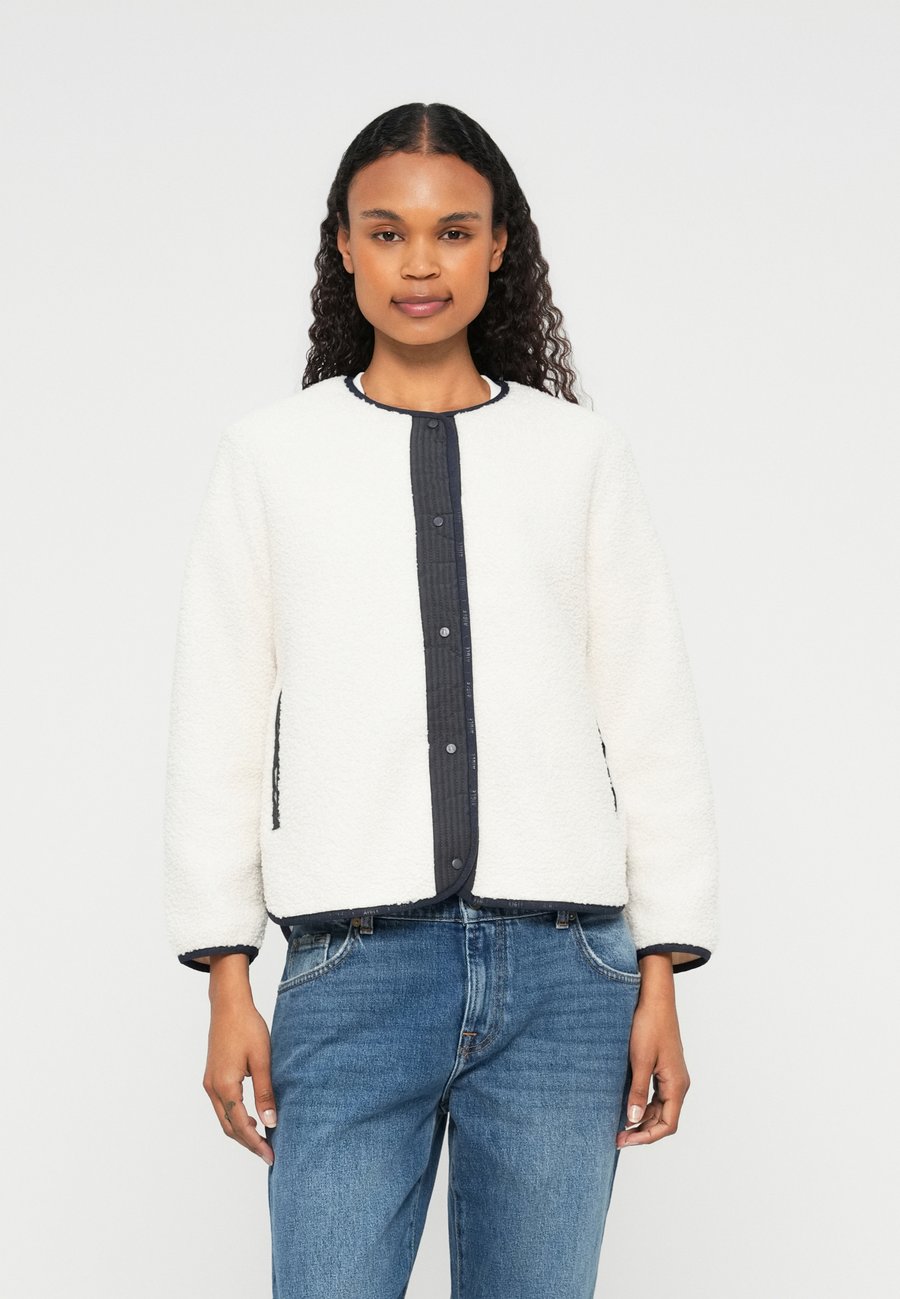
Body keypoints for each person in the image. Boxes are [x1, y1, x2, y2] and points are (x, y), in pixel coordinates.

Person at [163, 101, 720, 1299]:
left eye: (454, 231)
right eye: (389, 231)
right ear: (344, 246)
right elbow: (220, 720)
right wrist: (226, 974)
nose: (421, 263)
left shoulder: (580, 456)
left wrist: (662, 969)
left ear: (499, 245)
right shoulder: (271, 457)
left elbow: (650, 718)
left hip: (567, 978)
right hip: (352, 968)